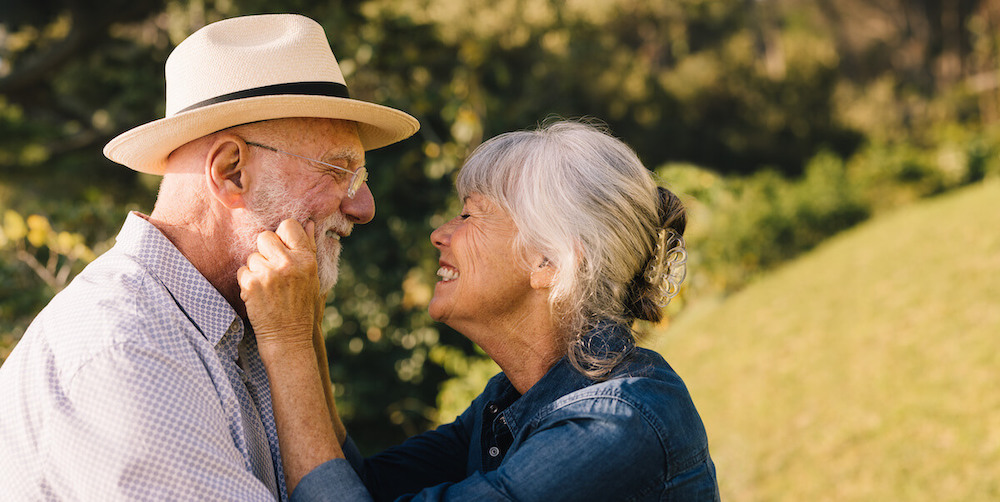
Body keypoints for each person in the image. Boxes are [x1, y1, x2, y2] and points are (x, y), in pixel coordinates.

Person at [0, 14, 418, 500]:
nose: (363, 206)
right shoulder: (132, 352)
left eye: (359, 176)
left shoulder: (235, 320)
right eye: (337, 171)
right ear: (231, 170)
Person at [239, 120, 720, 501]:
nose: (441, 234)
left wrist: (289, 341)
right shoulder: (510, 400)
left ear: (548, 261)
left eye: (470, 214)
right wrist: (309, 323)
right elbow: (359, 488)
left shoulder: (614, 425)